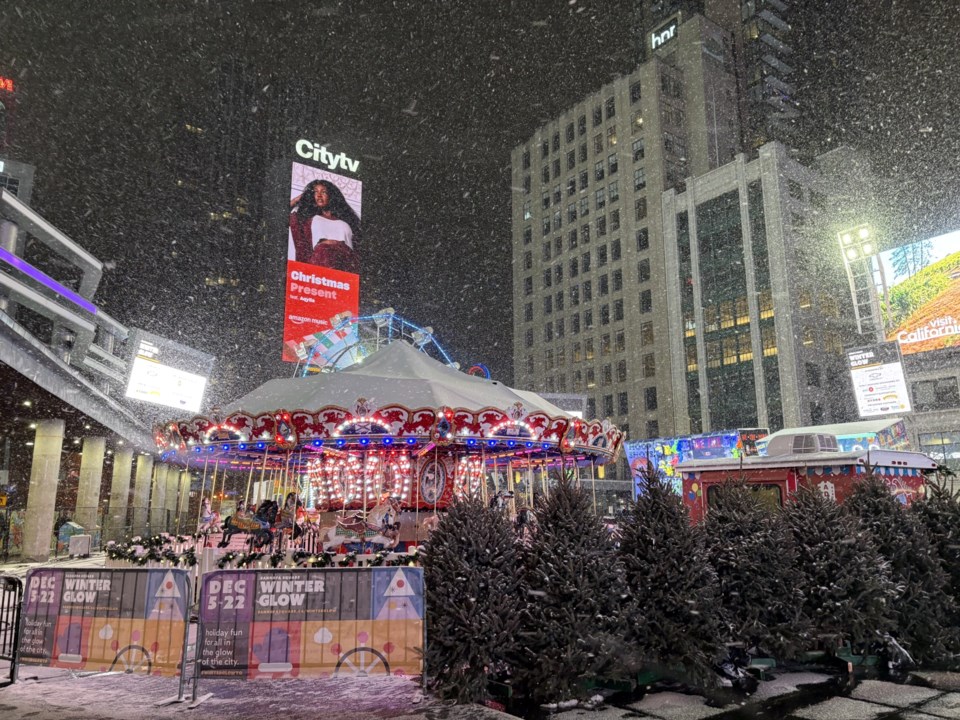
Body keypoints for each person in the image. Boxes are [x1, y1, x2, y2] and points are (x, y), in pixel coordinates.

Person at [288, 179, 360, 273]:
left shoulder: (348, 220)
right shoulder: (309, 220)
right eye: (315, 192)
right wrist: (297, 199)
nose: (319, 195)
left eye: (324, 192)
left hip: (346, 262)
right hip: (322, 259)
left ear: (332, 196)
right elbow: (281, 216)